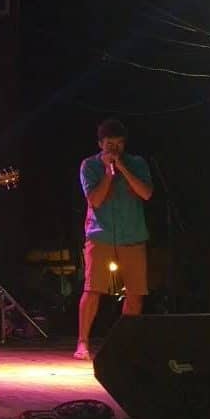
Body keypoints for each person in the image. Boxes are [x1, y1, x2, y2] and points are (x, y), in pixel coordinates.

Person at [75, 118, 152, 360]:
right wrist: (108, 173)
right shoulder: (89, 165)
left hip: (133, 235)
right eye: (110, 144)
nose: (114, 149)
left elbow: (146, 193)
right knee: (93, 289)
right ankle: (82, 343)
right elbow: (95, 200)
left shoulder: (137, 163)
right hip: (101, 234)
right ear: (100, 144)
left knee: (135, 292)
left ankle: (125, 345)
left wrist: (123, 168)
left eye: (119, 144)